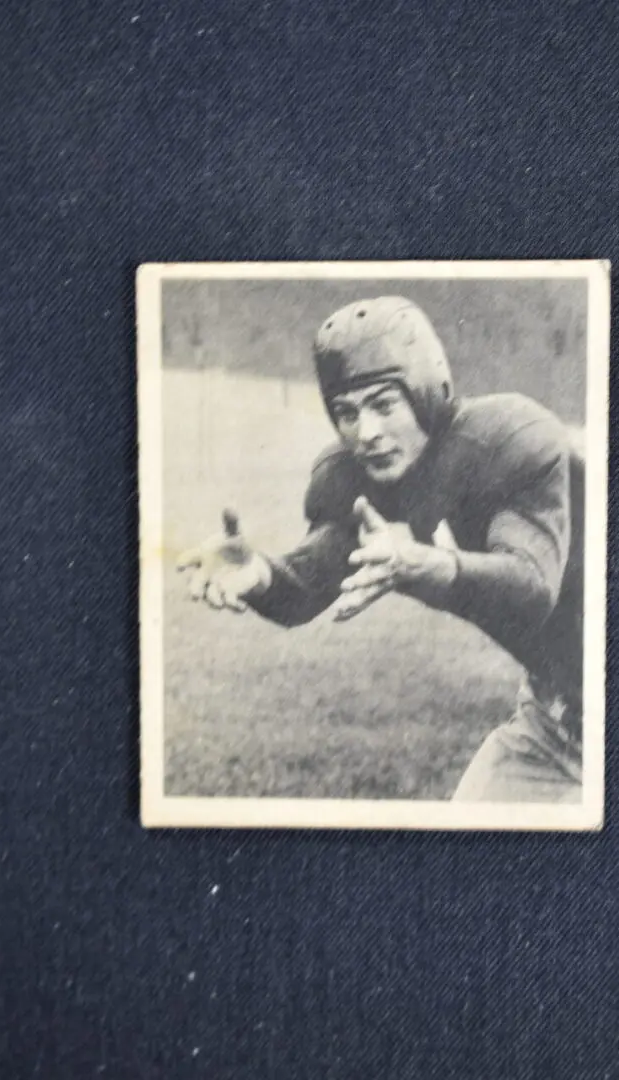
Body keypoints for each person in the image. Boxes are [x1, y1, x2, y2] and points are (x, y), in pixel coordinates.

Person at [175, 296, 584, 803]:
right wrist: (259, 572)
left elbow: (531, 587)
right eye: (346, 412)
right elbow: (306, 587)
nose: (366, 433)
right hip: (552, 719)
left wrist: (434, 567)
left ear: (427, 392)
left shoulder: (507, 443)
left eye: (384, 405)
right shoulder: (360, 476)